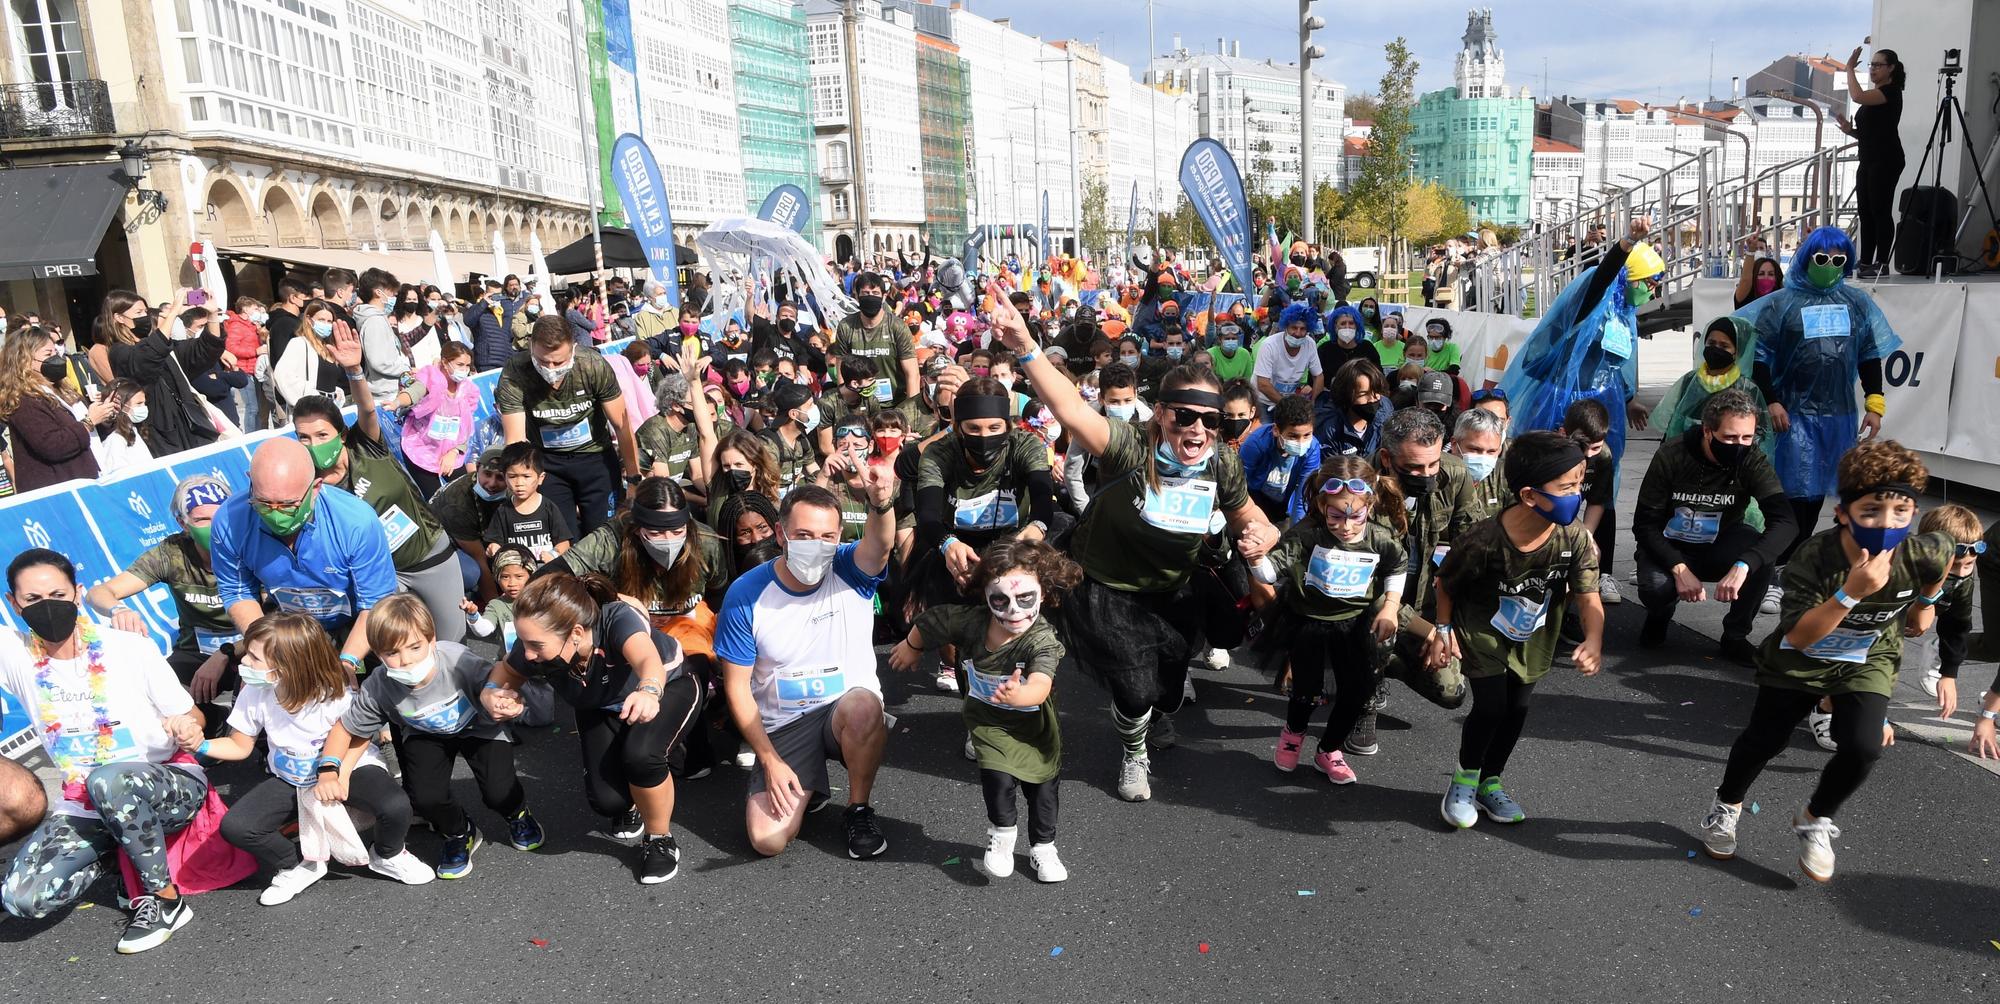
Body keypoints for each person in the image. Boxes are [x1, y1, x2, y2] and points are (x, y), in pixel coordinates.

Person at [989, 287, 1278, 802]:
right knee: (1135, 688)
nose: (1196, 429)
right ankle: (1133, 753)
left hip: (1174, 588)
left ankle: (1149, 719)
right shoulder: (1129, 448)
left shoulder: (1222, 465)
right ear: (1160, 414)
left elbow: (1249, 517)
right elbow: (1071, 409)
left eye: (1209, 420)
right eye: (1183, 417)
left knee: (1166, 691)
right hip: (1108, 587)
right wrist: (1025, 345)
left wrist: (1265, 534)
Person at [1697, 440, 1945, 882]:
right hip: (1801, 657)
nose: (1888, 524)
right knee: (1764, 740)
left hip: (1867, 658)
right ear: (1844, 512)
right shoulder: (1815, 556)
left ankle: (1814, 817)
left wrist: (1927, 603)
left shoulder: (1920, 551)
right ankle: (1727, 804)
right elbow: (1800, 634)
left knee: (1865, 745)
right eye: (1871, 512)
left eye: (1901, 512)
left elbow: (1942, 554)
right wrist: (1853, 592)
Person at [0, 548, 210, 953]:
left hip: (167, 785)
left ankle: (166, 901)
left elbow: (194, 717)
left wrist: (186, 725)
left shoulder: (128, 647)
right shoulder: (16, 656)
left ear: (78, 594)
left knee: (109, 778)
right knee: (23, 898)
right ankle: (120, 852)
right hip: (85, 800)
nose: (47, 608)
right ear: (13, 604)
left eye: (58, 596)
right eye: (31, 600)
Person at [716, 471, 900, 860]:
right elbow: (736, 687)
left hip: (842, 710)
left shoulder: (850, 569)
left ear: (838, 538)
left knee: (865, 705)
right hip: (784, 723)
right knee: (767, 840)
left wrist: (881, 502)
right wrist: (769, 760)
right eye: (803, 536)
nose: (816, 546)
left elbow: (881, 546)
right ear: (780, 536)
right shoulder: (746, 594)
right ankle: (807, 782)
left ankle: (859, 809)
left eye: (827, 537)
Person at [1432, 431, 1604, 829]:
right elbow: (1447, 582)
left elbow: (1589, 595)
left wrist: (1594, 637)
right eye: (1566, 488)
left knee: (1516, 709)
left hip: (1533, 634)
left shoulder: (1573, 537)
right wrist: (1443, 629)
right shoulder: (1485, 538)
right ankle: (1464, 780)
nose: (1576, 496)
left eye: (1579, 484)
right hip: (1482, 630)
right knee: (1491, 706)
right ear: (1529, 495)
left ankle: (1490, 781)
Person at [482, 573, 701, 884]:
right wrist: (492, 693)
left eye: (535, 646)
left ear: (575, 633)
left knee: (641, 757)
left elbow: (647, 659)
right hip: (601, 705)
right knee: (608, 802)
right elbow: (506, 671)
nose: (528, 653)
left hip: (669, 687)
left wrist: (649, 691)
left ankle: (659, 839)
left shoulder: (615, 619)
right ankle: (635, 799)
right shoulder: (538, 639)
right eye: (524, 642)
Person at [207, 612, 433, 907]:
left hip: (347, 766)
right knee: (237, 826)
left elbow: (358, 735)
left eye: (254, 657)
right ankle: (298, 865)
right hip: (291, 777)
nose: (244, 663)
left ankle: (388, 854)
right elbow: (239, 746)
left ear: (288, 665)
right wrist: (198, 744)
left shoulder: (335, 693)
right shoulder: (255, 691)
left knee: (395, 807)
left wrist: (336, 772)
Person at [888, 538, 1080, 883]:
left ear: (1044, 592)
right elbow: (933, 620)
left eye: (1025, 598)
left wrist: (1020, 695)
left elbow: (1041, 684)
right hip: (988, 723)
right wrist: (911, 646)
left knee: (1043, 790)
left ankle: (1043, 847)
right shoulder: (971, 622)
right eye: (1000, 600)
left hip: (1034, 729)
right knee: (997, 778)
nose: (1014, 610)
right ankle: (1003, 834)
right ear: (985, 596)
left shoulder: (1041, 639)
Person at [1737, 225, 1899, 615]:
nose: (1829, 267)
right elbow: (1759, 358)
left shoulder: (1856, 304)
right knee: (1795, 496)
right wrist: (1772, 402)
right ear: (1807, 259)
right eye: (1822, 259)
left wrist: (1875, 403)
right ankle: (1777, 572)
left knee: (1833, 494)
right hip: (1794, 417)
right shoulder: (1782, 304)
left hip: (1839, 416)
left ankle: (1806, 568)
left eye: (1838, 261)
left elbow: (1869, 355)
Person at [327, 594, 542, 880]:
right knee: (425, 797)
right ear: (378, 655)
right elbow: (347, 728)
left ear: (432, 640)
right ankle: (459, 832)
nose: (405, 661)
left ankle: (518, 815)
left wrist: (511, 704)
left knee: (498, 792)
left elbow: (498, 684)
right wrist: (331, 769)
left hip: (479, 725)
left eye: (415, 647)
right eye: (392, 653)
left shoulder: (457, 659)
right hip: (424, 731)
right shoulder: (379, 684)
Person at [301, 331, 465, 643]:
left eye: (322, 435)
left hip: (428, 555)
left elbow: (366, 410)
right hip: (380, 578)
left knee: (450, 643)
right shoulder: (308, 483)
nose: (312, 445)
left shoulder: (366, 447)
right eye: (303, 438)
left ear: (342, 434)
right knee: (398, 651)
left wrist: (354, 371)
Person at [1259, 460, 1407, 786]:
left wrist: (1391, 608)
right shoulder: (1307, 535)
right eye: (1336, 516)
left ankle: (1329, 749)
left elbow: (1397, 565)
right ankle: (1293, 734)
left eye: (1356, 516)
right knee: (1307, 692)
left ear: (1369, 505)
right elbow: (1269, 573)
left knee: (1358, 691)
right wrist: (1255, 555)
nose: (1346, 527)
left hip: (1354, 623)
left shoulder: (1379, 538)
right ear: (1322, 506)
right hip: (1308, 622)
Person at [1631, 389, 1798, 664]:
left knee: (1762, 557)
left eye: (1747, 437)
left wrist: (1745, 564)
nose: (1740, 445)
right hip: (1670, 544)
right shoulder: (1672, 454)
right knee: (1656, 588)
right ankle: (1659, 615)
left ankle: (1735, 636)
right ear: (1708, 431)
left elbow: (1786, 521)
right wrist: (1678, 567)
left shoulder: (1752, 459)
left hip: (1721, 543)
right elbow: (1644, 525)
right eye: (1730, 437)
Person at [911, 378, 1056, 690]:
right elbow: (927, 516)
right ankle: (955, 667)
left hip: (1012, 544)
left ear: (1007, 424)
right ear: (958, 427)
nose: (984, 437)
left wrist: (1034, 530)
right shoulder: (938, 454)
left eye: (994, 428)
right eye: (973, 429)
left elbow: (1044, 505)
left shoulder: (1026, 445)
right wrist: (946, 543)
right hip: (955, 546)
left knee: (1011, 631)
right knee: (957, 642)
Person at [211, 437, 399, 663]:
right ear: (250, 481)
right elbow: (238, 591)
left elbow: (375, 604)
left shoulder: (357, 522)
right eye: (263, 503)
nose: (276, 514)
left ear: (316, 488)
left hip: (356, 623)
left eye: (289, 505)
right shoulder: (229, 521)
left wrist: (348, 662)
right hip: (288, 629)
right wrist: (268, 649)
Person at [1497, 216, 1660, 468]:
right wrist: (1627, 243)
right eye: (1648, 282)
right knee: (1551, 470)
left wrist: (1629, 399)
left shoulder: (1624, 314)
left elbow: (1614, 364)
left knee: (1602, 476)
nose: (1652, 290)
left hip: (1605, 403)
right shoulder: (1588, 306)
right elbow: (1603, 278)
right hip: (1561, 399)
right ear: (1627, 278)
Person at [85, 474, 241, 727]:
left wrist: (228, 653)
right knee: (155, 696)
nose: (213, 526)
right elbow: (97, 593)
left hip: (249, 647)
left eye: (219, 516)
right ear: (184, 523)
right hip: (194, 654)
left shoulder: (249, 545)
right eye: (201, 519)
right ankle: (214, 725)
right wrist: (119, 609)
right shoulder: (172, 553)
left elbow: (272, 621)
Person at [496, 316, 643, 534]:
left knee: (604, 534)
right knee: (563, 538)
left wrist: (633, 478)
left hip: (595, 458)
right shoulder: (515, 371)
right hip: (548, 463)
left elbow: (622, 425)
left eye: (559, 362)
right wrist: (521, 485)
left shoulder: (592, 365)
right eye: (543, 362)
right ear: (531, 348)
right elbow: (516, 439)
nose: (551, 369)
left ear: (573, 349)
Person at [101, 289, 229, 456]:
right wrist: (173, 312)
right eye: (138, 312)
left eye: (146, 312)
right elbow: (148, 357)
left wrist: (212, 315)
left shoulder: (162, 347)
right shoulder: (120, 352)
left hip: (191, 426)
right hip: (159, 435)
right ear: (119, 318)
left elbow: (203, 350)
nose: (145, 317)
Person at [0, 329, 110, 490]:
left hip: (90, 477)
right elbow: (51, 445)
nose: (56, 357)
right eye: (48, 354)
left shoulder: (61, 388)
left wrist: (105, 412)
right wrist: (89, 422)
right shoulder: (24, 399)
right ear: (25, 361)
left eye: (55, 351)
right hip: (60, 488)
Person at [1651, 317, 1772, 456]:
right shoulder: (1690, 381)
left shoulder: (1747, 388)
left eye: (1724, 346)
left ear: (1737, 352)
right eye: (1711, 343)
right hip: (1689, 459)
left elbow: (1759, 435)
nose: (1716, 349)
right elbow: (1675, 424)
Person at [1834, 43, 1904, 275]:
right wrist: (1849, 131)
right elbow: (1869, 132)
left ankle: (1882, 263)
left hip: (1886, 159)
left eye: (1878, 65)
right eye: (1871, 65)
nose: (1873, 69)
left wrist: (1850, 69)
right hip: (1868, 158)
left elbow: (1857, 95)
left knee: (1880, 210)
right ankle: (1865, 261)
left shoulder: (1890, 92)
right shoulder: (1876, 96)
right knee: (1865, 211)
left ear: (1891, 68)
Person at [1908, 504, 1981, 711]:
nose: (1960, 573)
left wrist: (1948, 674)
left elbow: (1957, 626)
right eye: (1954, 565)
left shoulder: (1962, 580)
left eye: (1969, 565)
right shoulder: (1902, 565)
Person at [396, 340, 479, 499]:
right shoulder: (429, 379)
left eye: (468, 366)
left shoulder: (468, 390)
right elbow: (414, 392)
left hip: (450, 451)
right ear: (445, 362)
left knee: (466, 494)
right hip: (420, 449)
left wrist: (454, 451)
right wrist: (397, 402)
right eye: (460, 364)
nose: (464, 370)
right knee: (435, 499)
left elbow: (466, 429)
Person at [484, 443, 576, 563]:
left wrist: (553, 555)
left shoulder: (549, 507)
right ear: (505, 477)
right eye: (512, 476)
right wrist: (493, 548)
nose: (519, 483)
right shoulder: (503, 510)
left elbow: (564, 543)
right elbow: (494, 542)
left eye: (526, 476)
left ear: (541, 478)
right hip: (516, 576)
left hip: (546, 574)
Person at [833, 272, 919, 400]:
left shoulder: (897, 327)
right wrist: (847, 403)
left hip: (894, 404)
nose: (870, 297)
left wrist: (911, 410)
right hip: (859, 403)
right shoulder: (846, 326)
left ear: (884, 297)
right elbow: (841, 371)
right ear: (856, 296)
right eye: (865, 293)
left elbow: (912, 373)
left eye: (875, 293)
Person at [1239, 394, 1322, 525]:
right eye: (1293, 436)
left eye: (1307, 435)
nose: (1301, 442)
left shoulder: (1312, 448)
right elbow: (1240, 485)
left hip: (1284, 501)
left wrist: (1296, 532)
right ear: (1276, 430)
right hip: (1254, 496)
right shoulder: (1255, 444)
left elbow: (1303, 493)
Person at [273, 298, 349, 409]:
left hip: (332, 408)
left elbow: (327, 381)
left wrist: (337, 393)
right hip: (311, 410)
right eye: (321, 320)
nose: (326, 324)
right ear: (309, 319)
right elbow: (282, 375)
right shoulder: (299, 343)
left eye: (329, 321)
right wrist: (311, 397)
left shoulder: (328, 347)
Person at [1313, 358, 1392, 459]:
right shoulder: (1329, 429)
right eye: (1363, 394)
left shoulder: (1385, 410)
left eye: (1376, 392)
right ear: (1346, 395)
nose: (1372, 399)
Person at [1253, 303, 1324, 413]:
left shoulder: (1310, 344)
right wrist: (1288, 407)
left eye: (1303, 329)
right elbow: (1263, 384)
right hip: (1263, 401)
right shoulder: (1269, 345)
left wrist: (1312, 401)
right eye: (1294, 328)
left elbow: (1318, 376)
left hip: (1290, 400)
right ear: (1286, 327)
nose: (1298, 333)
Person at [1450, 407, 1510, 526]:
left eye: (1491, 451)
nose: (1483, 458)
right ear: (1455, 445)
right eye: (1475, 449)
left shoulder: (1506, 477)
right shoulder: (1434, 473)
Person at [1207, 317, 1257, 384]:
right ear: (1219, 339)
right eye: (1227, 339)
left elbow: (1247, 381)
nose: (1231, 341)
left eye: (1233, 338)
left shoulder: (1244, 354)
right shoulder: (1210, 354)